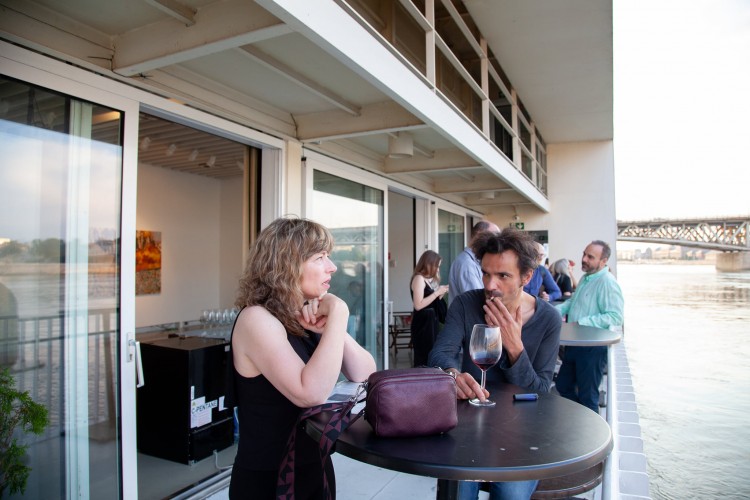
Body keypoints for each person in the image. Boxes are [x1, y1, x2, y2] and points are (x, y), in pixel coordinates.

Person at [228, 217, 376, 499]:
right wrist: (339, 312)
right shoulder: (256, 319)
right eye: (320, 257)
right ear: (287, 264)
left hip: (313, 466)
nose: (332, 266)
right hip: (271, 479)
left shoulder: (304, 315)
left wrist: (332, 326)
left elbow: (365, 373)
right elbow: (310, 393)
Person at [429, 228, 561, 500]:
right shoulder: (466, 304)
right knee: (458, 491)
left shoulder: (548, 319)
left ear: (527, 277)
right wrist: (453, 374)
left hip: (522, 431)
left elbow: (541, 391)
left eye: (503, 276)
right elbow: (441, 353)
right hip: (468, 425)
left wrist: (514, 346)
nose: (490, 285)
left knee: (510, 492)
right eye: (486, 273)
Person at [555, 240, 624, 413]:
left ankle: (589, 426)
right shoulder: (586, 278)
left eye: (590, 257)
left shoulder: (608, 282)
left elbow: (616, 316)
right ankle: (578, 418)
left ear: (603, 261)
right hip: (575, 344)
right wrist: (552, 312)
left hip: (592, 348)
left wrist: (582, 322)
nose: (584, 259)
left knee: (588, 396)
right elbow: (572, 303)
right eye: (584, 254)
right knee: (563, 385)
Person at [410, 250, 449, 367]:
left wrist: (440, 293)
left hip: (430, 323)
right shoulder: (419, 279)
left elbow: (429, 301)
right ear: (429, 264)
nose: (438, 270)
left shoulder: (427, 280)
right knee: (424, 357)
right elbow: (418, 305)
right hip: (423, 325)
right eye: (437, 266)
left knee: (431, 356)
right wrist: (437, 293)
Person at [448, 220, 501, 305]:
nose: (496, 241)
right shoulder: (466, 264)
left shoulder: (474, 261)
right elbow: (477, 302)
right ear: (479, 235)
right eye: (494, 236)